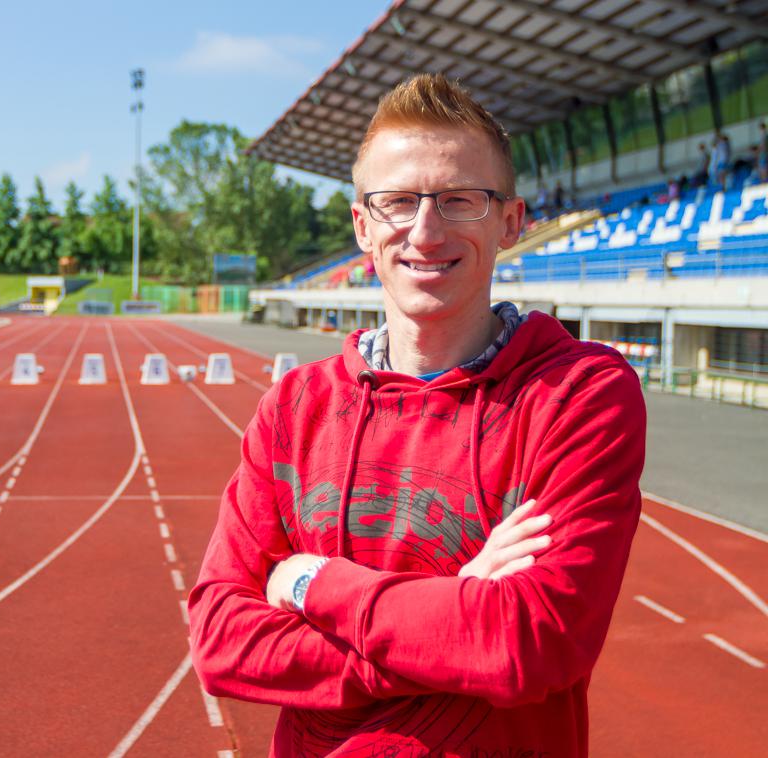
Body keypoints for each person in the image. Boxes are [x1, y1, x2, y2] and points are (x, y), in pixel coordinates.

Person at [189, 74, 646, 756]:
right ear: (362, 226)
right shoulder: (293, 407)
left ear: (510, 222)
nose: (425, 231)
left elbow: (527, 643)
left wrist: (313, 584)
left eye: (459, 200)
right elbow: (222, 642)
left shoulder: (578, 394)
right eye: (398, 201)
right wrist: (454, 613)